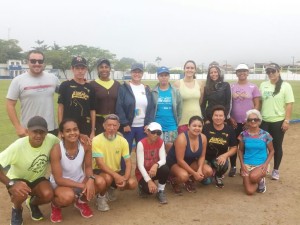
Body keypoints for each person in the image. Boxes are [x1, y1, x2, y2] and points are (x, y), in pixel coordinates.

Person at [0, 116, 60, 225]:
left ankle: (32, 203)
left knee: (48, 195)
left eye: (42, 132)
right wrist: (11, 183)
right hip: (18, 179)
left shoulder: (51, 139)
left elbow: (66, 141)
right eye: (35, 132)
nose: (38, 135)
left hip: (37, 179)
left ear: (46, 133)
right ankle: (17, 209)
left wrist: (81, 136)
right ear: (27, 132)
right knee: (20, 192)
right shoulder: (18, 146)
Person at [49, 119, 107, 223]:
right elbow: (58, 179)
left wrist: (90, 180)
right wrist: (83, 186)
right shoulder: (56, 150)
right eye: (68, 131)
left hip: (79, 179)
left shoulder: (86, 145)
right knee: (68, 197)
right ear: (62, 134)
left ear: (79, 131)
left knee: (100, 182)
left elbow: (88, 167)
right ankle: (55, 205)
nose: (72, 133)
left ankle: (81, 202)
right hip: (61, 184)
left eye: (75, 129)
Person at [6, 50, 60, 137]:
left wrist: (82, 82)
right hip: (29, 130)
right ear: (28, 62)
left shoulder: (53, 78)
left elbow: (66, 91)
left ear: (43, 63)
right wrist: (18, 127)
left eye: (40, 61)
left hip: (50, 129)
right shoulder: (18, 80)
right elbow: (10, 105)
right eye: (33, 61)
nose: (37, 63)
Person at [92, 114, 137, 211]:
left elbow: (128, 162)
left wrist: (125, 178)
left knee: (132, 183)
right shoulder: (96, 140)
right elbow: (100, 164)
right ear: (104, 126)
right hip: (99, 171)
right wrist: (117, 176)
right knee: (107, 177)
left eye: (114, 125)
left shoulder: (123, 141)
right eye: (109, 125)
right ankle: (101, 198)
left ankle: (111, 189)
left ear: (118, 126)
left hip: (116, 170)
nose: (112, 128)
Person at [259, 63, 294, 180]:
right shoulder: (263, 85)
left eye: (273, 71)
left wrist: (287, 121)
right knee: (262, 145)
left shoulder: (285, 86)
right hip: (264, 121)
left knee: (277, 146)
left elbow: (289, 104)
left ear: (279, 71)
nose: (270, 74)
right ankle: (264, 166)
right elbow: (260, 103)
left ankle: (276, 170)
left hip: (278, 121)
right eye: (268, 72)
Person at [228, 64, 261, 177]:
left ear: (248, 72)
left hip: (248, 123)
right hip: (233, 122)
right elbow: (228, 104)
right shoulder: (231, 87)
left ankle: (245, 167)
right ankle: (233, 166)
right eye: (239, 71)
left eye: (244, 71)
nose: (242, 73)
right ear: (236, 73)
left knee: (246, 145)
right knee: (233, 145)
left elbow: (256, 105)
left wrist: (250, 121)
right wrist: (230, 118)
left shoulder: (253, 87)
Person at [166, 116, 213, 194]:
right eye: (194, 126)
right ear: (188, 126)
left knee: (208, 171)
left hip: (190, 161)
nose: (197, 128)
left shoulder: (203, 138)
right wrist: (195, 173)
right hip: (175, 162)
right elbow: (180, 160)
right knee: (184, 176)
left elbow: (202, 156)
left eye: (199, 126)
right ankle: (174, 181)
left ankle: (189, 180)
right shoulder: (182, 138)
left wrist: (200, 169)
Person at [116, 63, 155, 152]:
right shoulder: (124, 88)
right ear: (131, 73)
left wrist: (148, 123)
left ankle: (140, 167)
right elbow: (119, 106)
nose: (137, 74)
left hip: (143, 128)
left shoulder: (146, 89)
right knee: (125, 152)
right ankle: (125, 167)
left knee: (142, 152)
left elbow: (151, 107)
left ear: (142, 74)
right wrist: (125, 123)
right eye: (134, 72)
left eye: (139, 72)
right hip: (128, 127)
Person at [58, 56, 96, 138]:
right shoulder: (65, 85)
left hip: (85, 126)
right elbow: (60, 108)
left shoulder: (90, 88)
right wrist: (60, 130)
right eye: (77, 68)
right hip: (68, 126)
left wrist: (93, 131)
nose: (80, 71)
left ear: (86, 69)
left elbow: (92, 110)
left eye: (82, 68)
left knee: (85, 148)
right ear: (72, 69)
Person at [238, 109, 274, 194]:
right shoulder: (243, 135)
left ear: (259, 121)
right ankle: (251, 178)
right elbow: (240, 150)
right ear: (247, 121)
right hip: (247, 164)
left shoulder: (265, 134)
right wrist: (242, 165)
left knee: (253, 177)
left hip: (261, 164)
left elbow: (272, 151)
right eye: (250, 120)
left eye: (255, 119)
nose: (253, 121)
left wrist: (265, 165)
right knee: (250, 191)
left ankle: (260, 180)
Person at [203, 105, 237, 188]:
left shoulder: (229, 130)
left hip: (219, 159)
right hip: (205, 158)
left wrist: (225, 155)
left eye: (221, 116)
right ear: (212, 116)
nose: (218, 118)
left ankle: (218, 175)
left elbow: (234, 148)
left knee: (224, 163)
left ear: (225, 117)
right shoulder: (205, 128)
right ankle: (210, 170)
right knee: (206, 182)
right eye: (216, 115)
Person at [135, 122, 169, 204]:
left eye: (159, 133)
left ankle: (161, 191)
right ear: (148, 132)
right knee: (150, 191)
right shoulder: (141, 144)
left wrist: (156, 165)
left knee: (165, 168)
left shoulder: (161, 142)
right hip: (143, 173)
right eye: (153, 132)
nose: (156, 135)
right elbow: (140, 165)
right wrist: (149, 181)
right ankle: (141, 186)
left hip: (154, 170)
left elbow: (163, 159)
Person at [152, 66, 182, 152]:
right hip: (158, 126)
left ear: (169, 77)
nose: (164, 77)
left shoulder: (175, 91)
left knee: (171, 151)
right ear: (158, 77)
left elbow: (180, 109)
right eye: (161, 75)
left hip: (171, 126)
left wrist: (176, 123)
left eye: (166, 75)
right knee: (158, 151)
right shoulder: (153, 91)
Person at [90, 59, 120, 135]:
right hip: (98, 121)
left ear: (110, 69)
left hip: (113, 120)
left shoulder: (117, 84)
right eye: (101, 67)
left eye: (106, 67)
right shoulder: (92, 84)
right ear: (98, 69)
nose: (104, 69)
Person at [173, 60, 203, 134]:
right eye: (187, 68)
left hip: (197, 121)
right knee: (182, 143)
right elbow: (175, 104)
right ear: (184, 69)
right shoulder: (177, 83)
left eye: (192, 68)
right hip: (182, 121)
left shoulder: (200, 83)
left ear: (195, 70)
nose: (190, 70)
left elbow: (201, 101)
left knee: (196, 144)